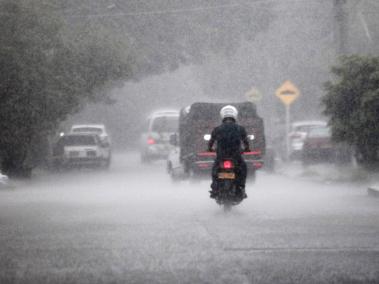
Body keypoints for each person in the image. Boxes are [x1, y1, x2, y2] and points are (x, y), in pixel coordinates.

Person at [207, 105, 250, 199]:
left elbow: (211, 142)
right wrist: (247, 149)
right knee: (243, 169)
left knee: (215, 170)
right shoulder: (240, 129)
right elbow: (246, 142)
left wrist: (210, 149)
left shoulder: (217, 129)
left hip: (221, 156)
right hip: (236, 156)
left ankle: (215, 188)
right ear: (235, 115)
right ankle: (241, 187)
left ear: (222, 116)